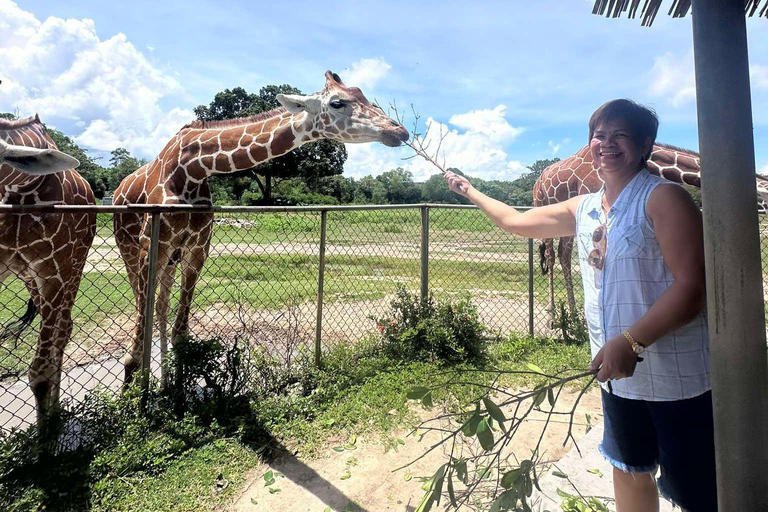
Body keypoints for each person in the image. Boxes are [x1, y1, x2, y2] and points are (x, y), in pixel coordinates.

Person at [444, 99, 717, 512]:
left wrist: (630, 341)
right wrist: (469, 190)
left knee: (694, 487)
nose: (607, 144)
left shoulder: (665, 198)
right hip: (618, 373)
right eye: (599, 135)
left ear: (645, 144)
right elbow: (517, 223)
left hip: (676, 377)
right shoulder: (585, 207)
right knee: (628, 468)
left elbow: (692, 288)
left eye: (620, 135)